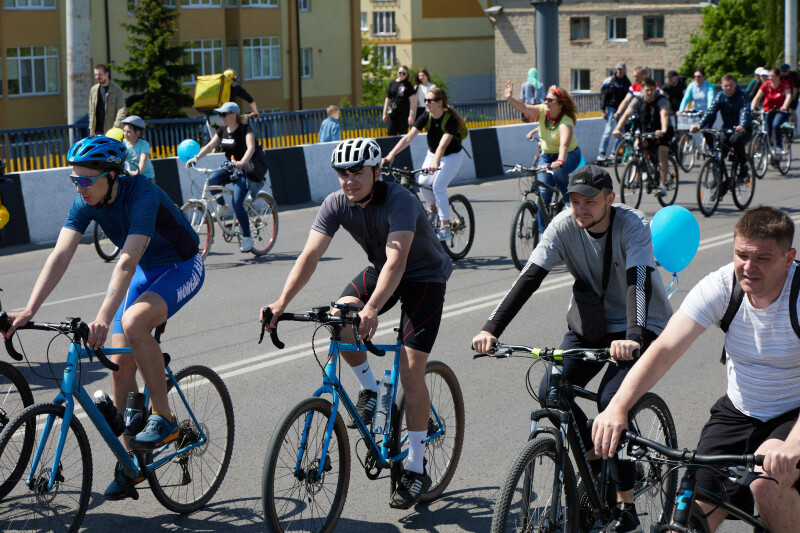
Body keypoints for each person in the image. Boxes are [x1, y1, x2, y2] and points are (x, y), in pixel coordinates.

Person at [1, 135, 204, 501]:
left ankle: (165, 418)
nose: (79, 187)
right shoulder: (85, 201)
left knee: (133, 323)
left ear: (112, 175)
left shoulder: (142, 195)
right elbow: (60, 256)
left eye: (85, 180)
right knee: (120, 364)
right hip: (147, 270)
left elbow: (125, 262)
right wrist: (30, 309)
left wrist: (103, 317)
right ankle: (131, 464)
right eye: (74, 179)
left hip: (182, 266)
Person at [472, 165, 672, 533]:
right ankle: (596, 458)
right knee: (551, 390)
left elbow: (638, 281)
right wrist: (491, 328)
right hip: (591, 324)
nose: (580, 208)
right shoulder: (563, 225)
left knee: (611, 402)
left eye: (590, 202)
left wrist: (633, 337)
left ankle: (626, 505)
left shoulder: (632, 225)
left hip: (639, 324)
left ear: (610, 199)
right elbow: (529, 277)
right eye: (575, 201)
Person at [262, 137, 453, 509]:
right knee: (339, 318)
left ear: (377, 171)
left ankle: (416, 467)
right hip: (381, 271)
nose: (349, 180)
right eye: (343, 173)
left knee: (409, 371)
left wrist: (373, 309)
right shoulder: (336, 203)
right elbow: (309, 256)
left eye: (357, 172)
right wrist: (281, 303)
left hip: (424, 277)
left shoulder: (400, 200)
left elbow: (398, 262)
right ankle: (370, 391)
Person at [592, 206, 799, 533]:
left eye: (762, 258)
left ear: (789, 259)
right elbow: (664, 350)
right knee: (687, 519)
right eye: (742, 255)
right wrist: (618, 407)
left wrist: (790, 446)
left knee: (767, 485)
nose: (748, 267)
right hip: (739, 412)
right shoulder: (721, 286)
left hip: (792, 415)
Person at [382, 87, 466, 241]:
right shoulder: (426, 116)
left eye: (430, 100)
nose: (426, 103)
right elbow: (408, 138)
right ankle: (433, 209)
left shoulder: (450, 119)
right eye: (425, 100)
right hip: (433, 154)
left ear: (440, 102)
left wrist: (435, 162)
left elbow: (442, 145)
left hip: (452, 156)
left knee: (438, 186)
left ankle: (445, 227)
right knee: (423, 182)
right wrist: (391, 155)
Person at [503, 80, 583, 232]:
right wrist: (509, 99)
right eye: (545, 99)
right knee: (543, 194)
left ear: (560, 104)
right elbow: (523, 107)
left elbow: (564, 145)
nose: (546, 102)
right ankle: (542, 235)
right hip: (546, 155)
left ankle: (568, 202)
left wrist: (560, 160)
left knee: (559, 173)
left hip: (569, 154)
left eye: (550, 100)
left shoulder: (566, 121)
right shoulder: (541, 111)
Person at [184, 101, 260, 253]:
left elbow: (251, 148)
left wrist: (243, 162)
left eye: (224, 114)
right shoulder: (223, 130)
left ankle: (247, 237)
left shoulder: (245, 129)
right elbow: (210, 145)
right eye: (220, 114)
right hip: (230, 168)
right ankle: (222, 207)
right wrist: (196, 157)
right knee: (212, 180)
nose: (221, 117)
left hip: (245, 169)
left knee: (237, 203)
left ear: (234, 115)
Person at [614, 78, 673, 197]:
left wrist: (663, 130)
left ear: (655, 89)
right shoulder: (638, 99)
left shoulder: (661, 99)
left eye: (652, 90)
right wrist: (617, 128)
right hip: (646, 131)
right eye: (647, 90)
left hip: (662, 131)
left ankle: (662, 185)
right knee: (638, 147)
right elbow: (627, 114)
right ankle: (649, 172)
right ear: (642, 90)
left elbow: (664, 114)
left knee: (662, 153)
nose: (650, 93)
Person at [690, 74, 752, 179]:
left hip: (743, 130)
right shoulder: (720, 96)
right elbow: (710, 112)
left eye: (730, 85)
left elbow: (744, 111)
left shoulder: (742, 96)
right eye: (726, 86)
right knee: (719, 151)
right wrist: (699, 125)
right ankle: (720, 179)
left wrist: (742, 125)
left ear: (735, 85)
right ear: (722, 86)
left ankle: (743, 165)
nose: (728, 88)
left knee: (735, 140)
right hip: (726, 129)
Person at [751, 68, 792, 156]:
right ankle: (768, 150)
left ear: (778, 76)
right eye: (769, 76)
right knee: (767, 130)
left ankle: (778, 146)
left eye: (772, 76)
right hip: (768, 110)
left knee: (776, 125)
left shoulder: (784, 84)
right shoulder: (766, 85)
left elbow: (788, 96)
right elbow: (757, 98)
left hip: (780, 110)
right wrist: (752, 108)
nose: (770, 78)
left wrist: (784, 106)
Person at [597, 62, 632, 162]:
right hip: (612, 108)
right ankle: (602, 153)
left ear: (624, 70)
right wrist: (603, 110)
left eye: (621, 69)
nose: (619, 71)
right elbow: (603, 95)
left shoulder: (627, 82)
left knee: (621, 131)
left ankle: (615, 153)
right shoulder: (610, 81)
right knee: (608, 130)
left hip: (622, 109)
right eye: (618, 69)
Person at [89, 64, 126, 136]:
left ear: (107, 74)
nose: (97, 77)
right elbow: (91, 112)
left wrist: (116, 127)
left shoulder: (116, 90)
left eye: (100, 74)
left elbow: (122, 109)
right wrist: (91, 129)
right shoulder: (93, 90)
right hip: (96, 132)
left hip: (112, 132)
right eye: (96, 75)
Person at [121, 115, 156, 182]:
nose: (125, 134)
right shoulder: (123, 143)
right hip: (131, 175)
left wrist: (138, 172)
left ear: (138, 132)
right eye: (124, 131)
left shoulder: (144, 144)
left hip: (146, 176)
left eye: (129, 132)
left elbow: (143, 160)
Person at [383, 66, 415, 136]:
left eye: (404, 73)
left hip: (403, 114)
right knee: (391, 133)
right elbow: (388, 99)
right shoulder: (392, 83)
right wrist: (384, 113)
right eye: (400, 73)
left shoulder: (408, 85)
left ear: (407, 74)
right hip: (392, 112)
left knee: (402, 134)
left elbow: (412, 100)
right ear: (397, 73)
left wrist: (411, 115)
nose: (401, 75)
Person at [779, 63, 800, 128]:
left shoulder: (794, 75)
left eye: (785, 71)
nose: (783, 73)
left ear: (788, 70)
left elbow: (795, 87)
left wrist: (793, 97)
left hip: (793, 94)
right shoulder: (780, 76)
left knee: (792, 110)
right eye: (782, 71)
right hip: (784, 95)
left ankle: (794, 127)